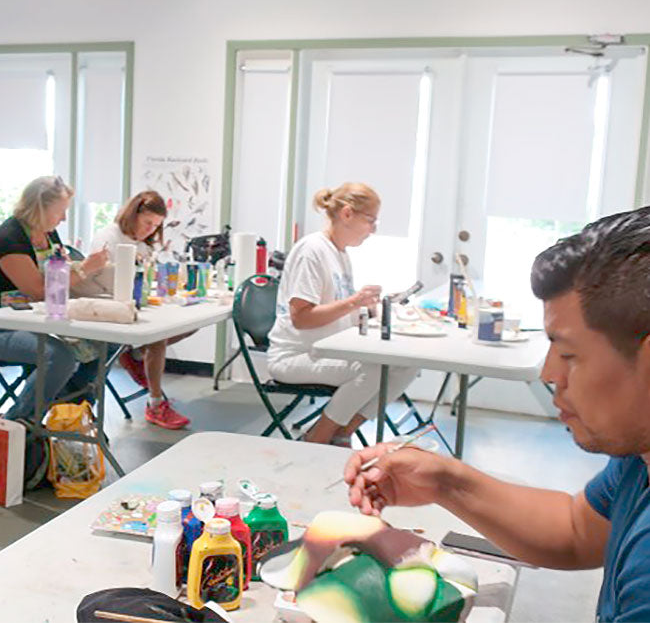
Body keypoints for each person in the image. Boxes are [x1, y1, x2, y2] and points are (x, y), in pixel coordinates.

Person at [345, 206, 650, 622]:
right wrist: (446, 481)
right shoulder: (640, 456)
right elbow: (578, 530)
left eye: (568, 353)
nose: (549, 373)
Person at [267, 182, 418, 446]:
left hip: (326, 350)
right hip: (295, 356)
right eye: (370, 220)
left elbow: (336, 309)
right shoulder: (311, 250)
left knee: (408, 365)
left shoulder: (340, 253)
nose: (373, 230)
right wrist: (353, 302)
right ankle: (319, 437)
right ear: (347, 214)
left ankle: (342, 431)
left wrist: (368, 309)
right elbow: (302, 318)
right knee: (370, 370)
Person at [0, 175, 110, 421]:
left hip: (38, 319)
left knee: (103, 343)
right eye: (60, 211)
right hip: (7, 325)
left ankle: (71, 406)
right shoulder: (9, 237)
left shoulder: (49, 235)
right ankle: (18, 425)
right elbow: (39, 290)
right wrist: (85, 269)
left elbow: (61, 277)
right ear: (40, 208)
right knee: (59, 357)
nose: (64, 218)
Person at [90, 190, 194, 430]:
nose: (150, 230)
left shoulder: (142, 245)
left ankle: (135, 354)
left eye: (156, 226)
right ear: (133, 214)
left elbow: (146, 281)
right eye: (147, 222)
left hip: (133, 305)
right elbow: (107, 282)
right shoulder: (108, 237)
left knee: (190, 324)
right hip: (107, 308)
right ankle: (155, 404)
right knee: (158, 334)